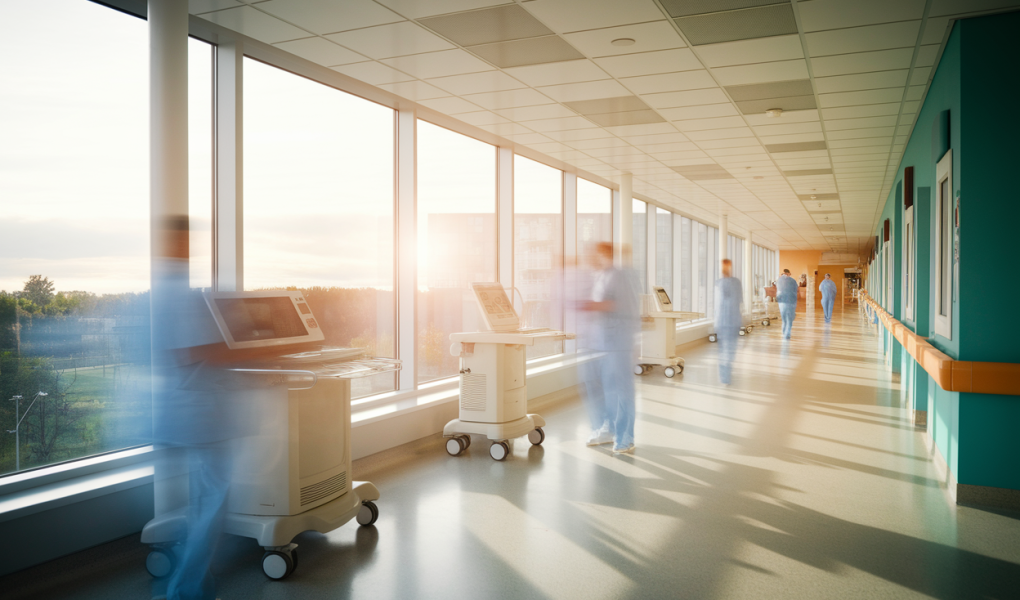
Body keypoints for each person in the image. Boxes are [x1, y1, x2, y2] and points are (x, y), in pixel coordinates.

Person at [581, 242, 639, 455]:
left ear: (603, 254)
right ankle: (607, 429)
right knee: (602, 388)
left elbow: (621, 305)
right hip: (602, 341)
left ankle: (626, 437)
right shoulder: (600, 276)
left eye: (591, 254)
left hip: (619, 341)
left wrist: (590, 306)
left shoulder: (619, 276)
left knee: (621, 390)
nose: (588, 258)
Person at [714, 259, 743, 385]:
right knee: (730, 350)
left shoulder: (718, 284)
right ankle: (725, 375)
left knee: (724, 350)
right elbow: (739, 301)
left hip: (723, 321)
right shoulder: (736, 283)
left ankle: (724, 376)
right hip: (731, 321)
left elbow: (716, 304)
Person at [776, 268, 799, 340]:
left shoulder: (779, 280)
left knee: (784, 319)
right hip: (791, 301)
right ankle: (787, 335)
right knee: (789, 319)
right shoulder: (792, 281)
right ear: (788, 273)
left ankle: (784, 333)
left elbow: (778, 291)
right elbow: (796, 290)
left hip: (782, 301)